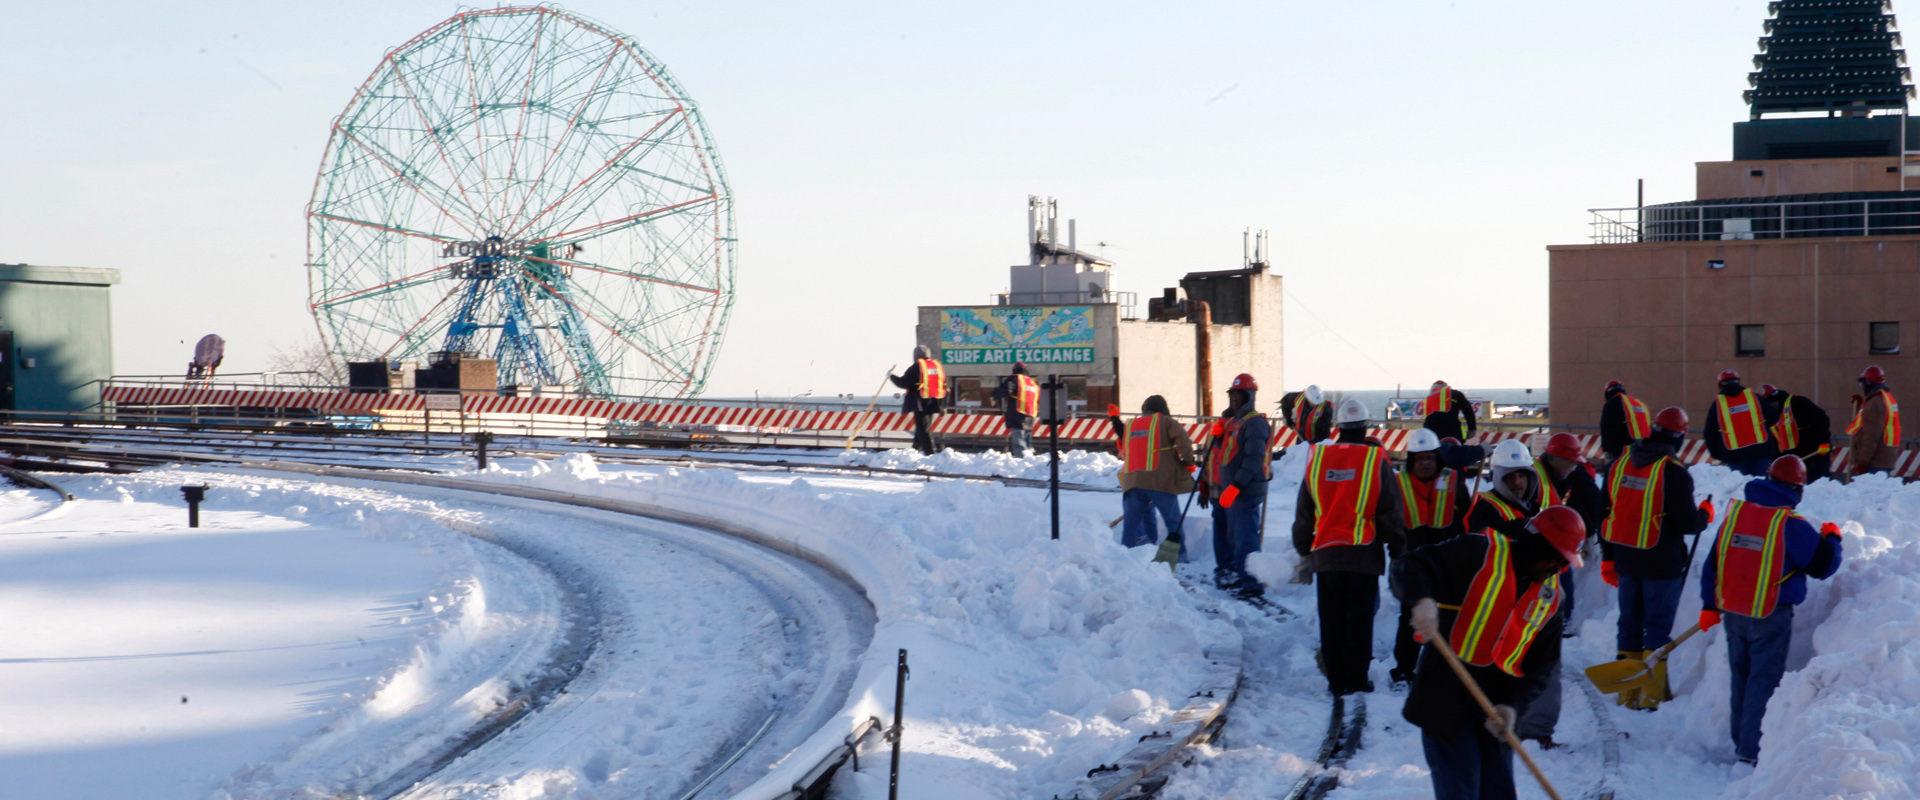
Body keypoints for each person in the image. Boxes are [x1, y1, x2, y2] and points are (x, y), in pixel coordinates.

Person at [1393, 506, 1585, 800]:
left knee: (1499, 793)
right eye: (1554, 558)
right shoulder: (1477, 553)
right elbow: (1409, 565)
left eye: (1564, 563)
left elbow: (1543, 664)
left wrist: (1514, 707)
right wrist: (1421, 600)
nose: (1556, 568)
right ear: (1535, 543)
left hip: (1495, 712)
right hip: (1446, 699)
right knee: (1462, 789)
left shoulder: (1551, 598)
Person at [1698, 455, 1844, 765]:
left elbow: (1715, 561)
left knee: (1741, 676)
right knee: (1762, 681)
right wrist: (1832, 539)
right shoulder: (1789, 524)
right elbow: (1823, 566)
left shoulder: (1736, 515)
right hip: (1769, 613)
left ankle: (1741, 741)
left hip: (1733, 611)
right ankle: (1751, 751)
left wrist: (1709, 604)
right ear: (1797, 489)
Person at [1598, 406, 1712, 710]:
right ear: (1679, 437)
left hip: (1625, 557)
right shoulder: (1673, 472)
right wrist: (1705, 515)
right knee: (1657, 627)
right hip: (1661, 563)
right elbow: (1687, 523)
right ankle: (1651, 695)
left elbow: (1604, 513)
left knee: (1629, 624)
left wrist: (1608, 557)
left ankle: (1626, 692)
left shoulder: (1618, 465)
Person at [1292, 398, 1404, 696]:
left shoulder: (1318, 459)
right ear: (1365, 427)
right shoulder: (1375, 461)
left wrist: (1304, 549)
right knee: (1359, 621)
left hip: (1326, 555)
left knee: (1331, 620)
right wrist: (1397, 551)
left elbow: (1304, 510)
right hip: (1363, 556)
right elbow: (1391, 511)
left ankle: (1336, 680)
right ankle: (1356, 679)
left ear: (1338, 427)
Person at [1513, 433, 1609, 748]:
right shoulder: (1540, 481)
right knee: (1539, 656)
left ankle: (1526, 724)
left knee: (1535, 654)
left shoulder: (1549, 478)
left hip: (1544, 570)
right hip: (1538, 575)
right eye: (1570, 462)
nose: (1573, 468)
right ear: (1556, 459)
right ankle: (1532, 728)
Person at [1389, 428, 1479, 686]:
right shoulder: (1398, 485)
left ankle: (1442, 670)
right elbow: (1391, 524)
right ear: (1411, 460)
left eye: (1430, 458)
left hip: (1445, 564)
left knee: (1446, 619)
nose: (1425, 463)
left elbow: (1465, 519)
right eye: (1420, 458)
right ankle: (1404, 671)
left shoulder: (1453, 482)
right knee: (1410, 619)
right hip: (1412, 565)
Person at [1198, 373, 1272, 592]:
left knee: (1245, 539)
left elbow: (1253, 459)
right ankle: (1234, 574)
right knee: (1230, 537)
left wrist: (1236, 486)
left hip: (1244, 491)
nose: (1234, 398)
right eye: (1232, 394)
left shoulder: (1255, 423)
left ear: (1248, 396)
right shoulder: (1231, 422)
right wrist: (1206, 483)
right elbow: (1219, 457)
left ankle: (1251, 582)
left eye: (1238, 395)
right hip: (1228, 490)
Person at [1108, 395, 1196, 549]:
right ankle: (1179, 555)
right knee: (1173, 521)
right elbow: (1184, 441)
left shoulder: (1131, 425)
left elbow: (1121, 435)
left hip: (1132, 482)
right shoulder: (1166, 422)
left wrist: (1114, 418)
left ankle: (1125, 555)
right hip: (1160, 480)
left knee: (1131, 525)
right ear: (1163, 409)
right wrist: (1188, 463)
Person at [1464, 440, 1552, 537]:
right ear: (1498, 477)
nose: (1516, 482)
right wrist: (1525, 525)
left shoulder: (1530, 507)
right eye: (1509, 476)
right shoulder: (1485, 509)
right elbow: (1487, 542)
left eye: (1521, 476)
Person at [1705, 370, 1780, 476]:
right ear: (1737, 382)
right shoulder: (1753, 397)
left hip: (1735, 457)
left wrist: (1717, 454)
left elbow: (1709, 433)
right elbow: (1773, 417)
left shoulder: (1717, 405)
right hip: (1761, 452)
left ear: (1720, 385)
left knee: (1739, 489)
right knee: (1765, 487)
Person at [1760, 384, 1833, 482]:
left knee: (1819, 488)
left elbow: (1822, 418)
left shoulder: (1797, 403)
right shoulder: (1775, 417)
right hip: (1799, 461)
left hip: (1816, 455)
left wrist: (1824, 441)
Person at [888, 346, 946, 454]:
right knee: (921, 429)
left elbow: (904, 383)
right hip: (934, 402)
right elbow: (942, 384)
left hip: (920, 403)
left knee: (923, 430)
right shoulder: (936, 366)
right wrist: (943, 405)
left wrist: (891, 377)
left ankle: (931, 454)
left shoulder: (917, 367)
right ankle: (915, 451)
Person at [1847, 365, 1902, 476]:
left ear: (1868, 384)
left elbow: (1871, 434)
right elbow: (1872, 420)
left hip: (1876, 461)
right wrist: (1861, 406)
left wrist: (1863, 460)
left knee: (1871, 492)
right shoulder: (1885, 397)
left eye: (1863, 384)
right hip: (1885, 457)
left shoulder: (1875, 403)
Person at [991, 363, 1040, 457]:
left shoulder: (1015, 378)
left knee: (1019, 439)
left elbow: (1006, 389)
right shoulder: (1032, 382)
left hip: (1018, 412)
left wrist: (994, 395)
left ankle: (1021, 459)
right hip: (1030, 414)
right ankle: (1030, 458)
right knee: (1027, 437)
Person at [1599, 380, 1653, 464]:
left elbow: (1608, 428)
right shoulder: (1640, 404)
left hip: (1624, 453)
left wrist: (1607, 450)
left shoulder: (1612, 403)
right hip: (1646, 452)